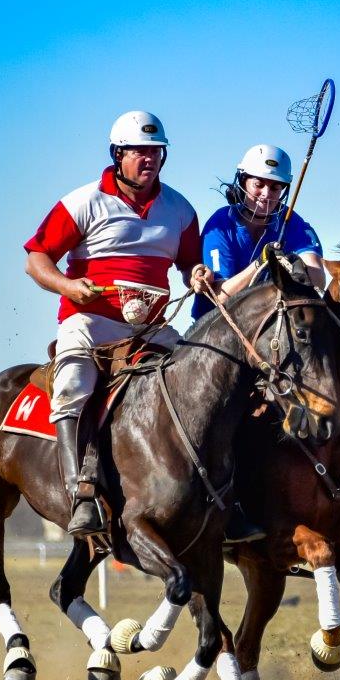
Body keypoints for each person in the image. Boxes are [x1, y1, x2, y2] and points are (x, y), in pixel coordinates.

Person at [24, 110, 204, 538]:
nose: (149, 160)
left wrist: (196, 274)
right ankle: (80, 495)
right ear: (117, 154)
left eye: (156, 152)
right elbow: (36, 260)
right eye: (139, 152)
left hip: (152, 329)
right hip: (89, 321)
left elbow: (190, 264)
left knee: (201, 380)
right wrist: (68, 286)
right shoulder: (82, 201)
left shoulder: (180, 209)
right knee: (72, 386)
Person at [190, 144, 324, 321]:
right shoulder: (220, 223)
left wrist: (295, 266)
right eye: (258, 185)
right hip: (215, 327)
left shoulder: (293, 222)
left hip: (265, 327)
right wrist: (261, 262)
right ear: (243, 181)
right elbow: (221, 296)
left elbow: (318, 282)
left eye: (276, 188)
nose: (266, 194)